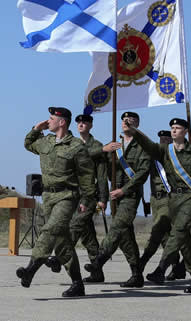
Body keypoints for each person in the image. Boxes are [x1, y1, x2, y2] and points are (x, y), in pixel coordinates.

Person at [18, 107, 95, 297]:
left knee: (50, 230)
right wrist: (36, 128)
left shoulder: (76, 146)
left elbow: (87, 175)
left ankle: (30, 269)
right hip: (48, 197)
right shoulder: (46, 142)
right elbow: (28, 144)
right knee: (62, 243)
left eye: (51, 118)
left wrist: (86, 198)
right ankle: (77, 284)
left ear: (62, 122)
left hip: (67, 196)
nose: (48, 121)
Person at [130, 117, 191, 294]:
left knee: (179, 231)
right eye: (172, 128)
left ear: (185, 132)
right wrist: (135, 131)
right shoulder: (165, 151)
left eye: (177, 128)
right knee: (185, 242)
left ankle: (161, 268)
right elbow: (149, 145)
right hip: (173, 198)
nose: (174, 130)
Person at [84, 112, 150, 288]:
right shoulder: (115, 145)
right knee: (125, 237)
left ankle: (99, 261)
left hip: (130, 195)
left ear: (138, 124)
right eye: (124, 120)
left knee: (117, 227)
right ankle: (137, 275)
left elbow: (143, 173)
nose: (126, 122)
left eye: (131, 120)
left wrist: (124, 190)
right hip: (115, 196)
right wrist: (103, 150)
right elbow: (87, 156)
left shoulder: (143, 146)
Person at [70, 114, 108, 283]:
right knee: (88, 236)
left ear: (91, 125)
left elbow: (101, 176)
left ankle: (60, 255)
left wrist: (102, 198)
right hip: (74, 195)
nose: (81, 124)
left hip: (90, 195)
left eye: (84, 122)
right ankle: (97, 271)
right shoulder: (73, 144)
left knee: (75, 226)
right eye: (78, 122)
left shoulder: (98, 146)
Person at [138, 130, 173, 276]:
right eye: (161, 139)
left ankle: (143, 263)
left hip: (170, 199)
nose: (163, 141)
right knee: (167, 235)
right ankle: (178, 267)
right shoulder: (153, 157)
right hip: (155, 200)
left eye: (166, 139)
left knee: (157, 231)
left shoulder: (176, 157)